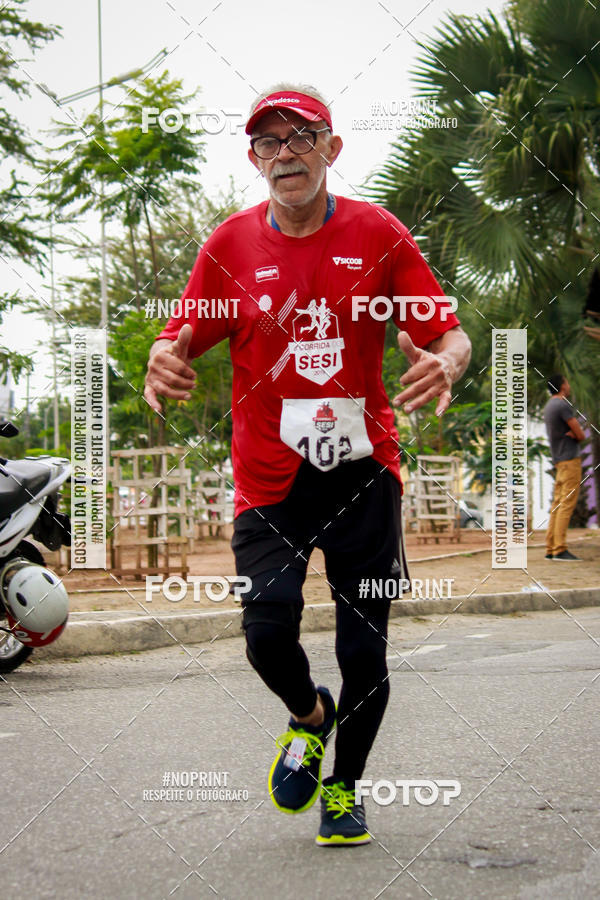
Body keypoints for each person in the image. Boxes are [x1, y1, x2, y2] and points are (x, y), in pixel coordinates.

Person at [144, 84, 471, 846]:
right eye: (268, 141)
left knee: (365, 651)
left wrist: (448, 365)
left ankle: (345, 789)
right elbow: (182, 333)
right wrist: (164, 357)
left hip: (363, 476)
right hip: (269, 481)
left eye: (302, 136)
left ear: (332, 148)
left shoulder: (379, 234)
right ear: (254, 158)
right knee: (264, 632)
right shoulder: (228, 246)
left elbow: (447, 332)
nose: (285, 152)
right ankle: (307, 717)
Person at [543, 374, 585, 561]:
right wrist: (576, 434)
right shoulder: (562, 405)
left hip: (559, 460)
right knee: (566, 504)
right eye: (566, 382)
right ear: (561, 386)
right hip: (570, 460)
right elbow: (581, 434)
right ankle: (560, 549)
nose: (569, 385)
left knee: (558, 504)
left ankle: (551, 548)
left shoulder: (549, 406)